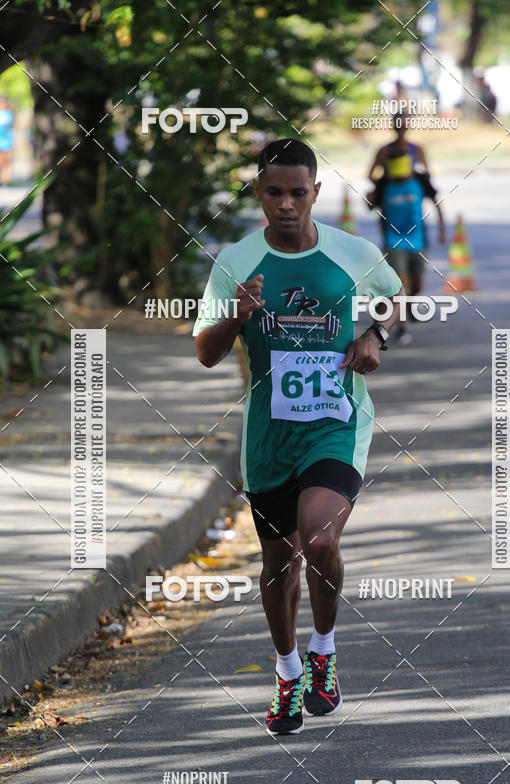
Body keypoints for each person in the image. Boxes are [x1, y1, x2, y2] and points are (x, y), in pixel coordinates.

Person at [193, 138, 403, 736]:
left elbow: (394, 299)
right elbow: (206, 352)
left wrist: (375, 337)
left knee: (318, 537)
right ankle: (288, 672)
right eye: (274, 192)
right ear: (258, 192)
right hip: (269, 436)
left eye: (298, 192)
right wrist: (237, 315)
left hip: (336, 423)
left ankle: (323, 651)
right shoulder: (235, 261)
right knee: (278, 561)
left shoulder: (351, 252)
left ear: (316, 192)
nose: (286, 204)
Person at [367, 114, 445, 334]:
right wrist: (378, 189)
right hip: (392, 236)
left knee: (417, 284)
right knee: (399, 283)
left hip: (417, 236)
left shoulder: (417, 154)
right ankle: (400, 325)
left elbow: (431, 184)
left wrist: (441, 230)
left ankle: (403, 305)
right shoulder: (384, 153)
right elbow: (370, 180)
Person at [0, 98, 14, 185]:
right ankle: (2, 179)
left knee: (7, 161)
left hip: (7, 142)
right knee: (1, 161)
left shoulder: (8, 114)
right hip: (1, 142)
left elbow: (10, 126)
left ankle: (6, 180)